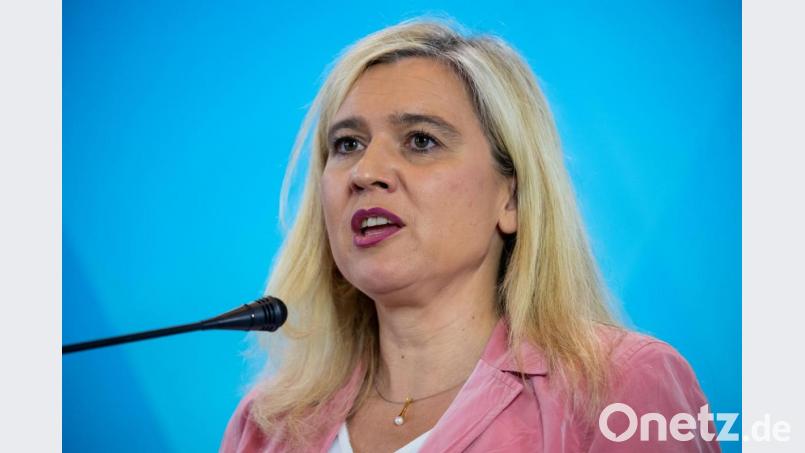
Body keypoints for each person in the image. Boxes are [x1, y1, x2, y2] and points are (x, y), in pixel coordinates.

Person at [220, 18, 720, 453]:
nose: (366, 172)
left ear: (512, 199)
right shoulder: (267, 424)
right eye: (348, 144)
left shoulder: (619, 388)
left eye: (421, 140)